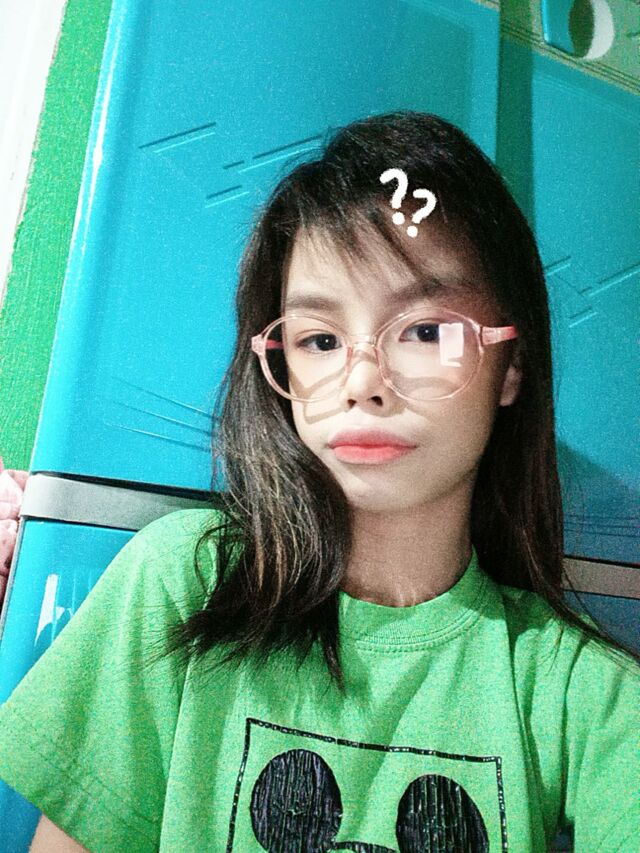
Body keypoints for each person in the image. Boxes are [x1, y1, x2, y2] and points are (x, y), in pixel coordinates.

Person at [0, 111, 637, 852]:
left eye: (426, 331)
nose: (361, 382)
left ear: (511, 366)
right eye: (320, 339)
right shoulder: (184, 583)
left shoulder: (574, 688)